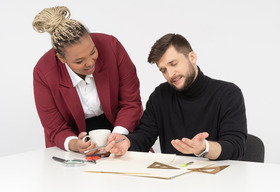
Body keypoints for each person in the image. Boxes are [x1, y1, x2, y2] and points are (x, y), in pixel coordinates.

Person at [105, 33, 247, 160]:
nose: (170, 74)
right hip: (173, 179)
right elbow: (145, 135)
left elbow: (235, 146)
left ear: (192, 57)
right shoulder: (160, 95)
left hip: (220, 179)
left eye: (174, 64)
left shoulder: (228, 94)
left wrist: (204, 148)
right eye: (164, 70)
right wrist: (127, 142)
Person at [32, 6, 143, 155]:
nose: (90, 63)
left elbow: (131, 102)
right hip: (75, 136)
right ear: (61, 58)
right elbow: (55, 127)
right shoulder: (43, 72)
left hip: (121, 125)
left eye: (93, 52)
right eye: (79, 61)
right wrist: (76, 145)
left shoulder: (111, 46)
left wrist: (117, 136)